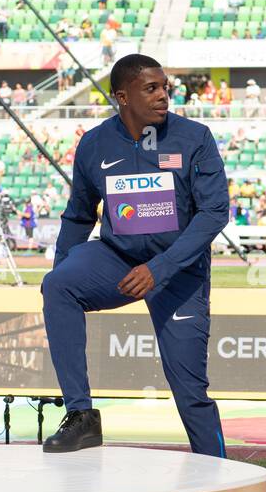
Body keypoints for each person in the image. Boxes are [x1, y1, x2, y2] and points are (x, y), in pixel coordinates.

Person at [40, 54, 229, 456]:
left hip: (177, 271)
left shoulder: (195, 138)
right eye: (152, 88)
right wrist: (67, 272)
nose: (164, 96)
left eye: (165, 87)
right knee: (57, 286)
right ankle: (81, 416)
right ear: (122, 97)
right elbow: (78, 215)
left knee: (190, 390)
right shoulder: (94, 144)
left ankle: (223, 479)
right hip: (116, 259)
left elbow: (215, 212)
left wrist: (160, 268)